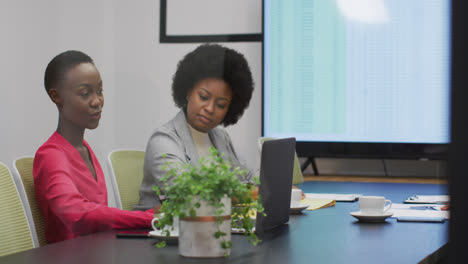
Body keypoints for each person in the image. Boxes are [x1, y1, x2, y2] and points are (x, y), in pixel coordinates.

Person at [33, 50, 154, 243]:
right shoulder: (50, 155)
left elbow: (98, 216)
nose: (97, 101)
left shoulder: (85, 149)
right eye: (85, 93)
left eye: (99, 91)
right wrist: (149, 218)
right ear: (56, 97)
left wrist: (155, 213)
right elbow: (78, 213)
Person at [137, 44, 257, 210]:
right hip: (164, 230)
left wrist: (271, 186)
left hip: (214, 226)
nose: (210, 108)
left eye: (221, 105)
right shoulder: (163, 140)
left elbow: (247, 175)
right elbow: (188, 194)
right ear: (188, 92)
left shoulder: (220, 137)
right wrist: (249, 193)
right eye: (203, 97)